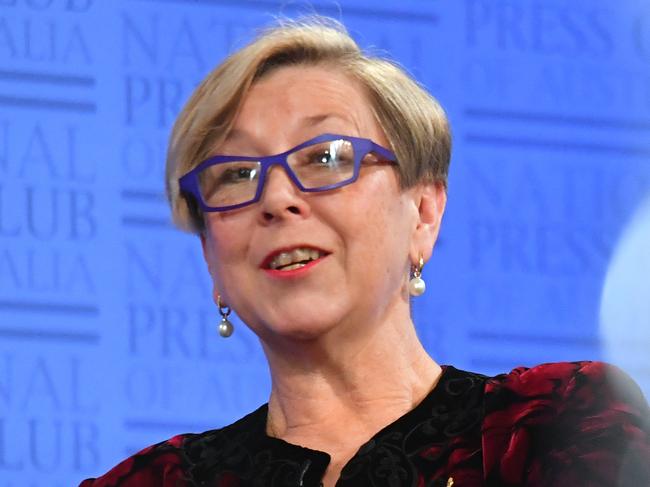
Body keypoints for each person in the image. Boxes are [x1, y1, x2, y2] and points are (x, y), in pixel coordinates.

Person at [80, 17, 650, 487]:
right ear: (212, 261)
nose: (276, 198)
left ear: (423, 213)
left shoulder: (554, 424)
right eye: (236, 174)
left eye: (326, 157)